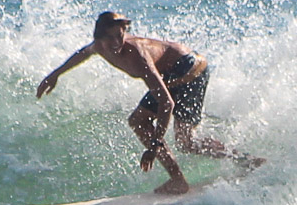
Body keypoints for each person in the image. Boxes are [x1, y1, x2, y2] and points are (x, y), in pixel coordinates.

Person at [36, 11, 261, 194]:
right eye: (111, 37)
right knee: (169, 134)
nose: (117, 42)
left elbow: (167, 104)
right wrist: (55, 74)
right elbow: (81, 54)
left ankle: (205, 172)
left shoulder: (136, 55)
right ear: (99, 37)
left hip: (189, 70)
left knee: (179, 138)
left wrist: (153, 146)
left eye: (121, 35)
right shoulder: (99, 46)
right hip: (173, 72)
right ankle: (239, 162)